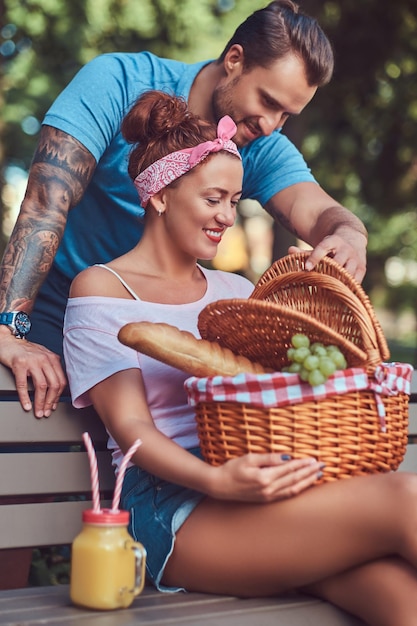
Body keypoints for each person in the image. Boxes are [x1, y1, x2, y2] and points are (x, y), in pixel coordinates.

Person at [62, 90, 417, 626]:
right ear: (159, 195)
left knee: (401, 600)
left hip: (258, 487)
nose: (228, 216)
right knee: (405, 498)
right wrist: (219, 483)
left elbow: (269, 394)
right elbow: (133, 428)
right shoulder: (103, 287)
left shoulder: (234, 289)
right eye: (213, 199)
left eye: (235, 201)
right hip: (174, 509)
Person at [0, 0, 368, 418]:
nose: (271, 124)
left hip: (166, 325)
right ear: (234, 60)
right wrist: (9, 329)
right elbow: (48, 198)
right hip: (58, 301)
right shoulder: (120, 82)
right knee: (39, 429)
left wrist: (350, 235)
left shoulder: (259, 143)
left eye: (287, 114)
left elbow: (320, 212)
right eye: (267, 100)